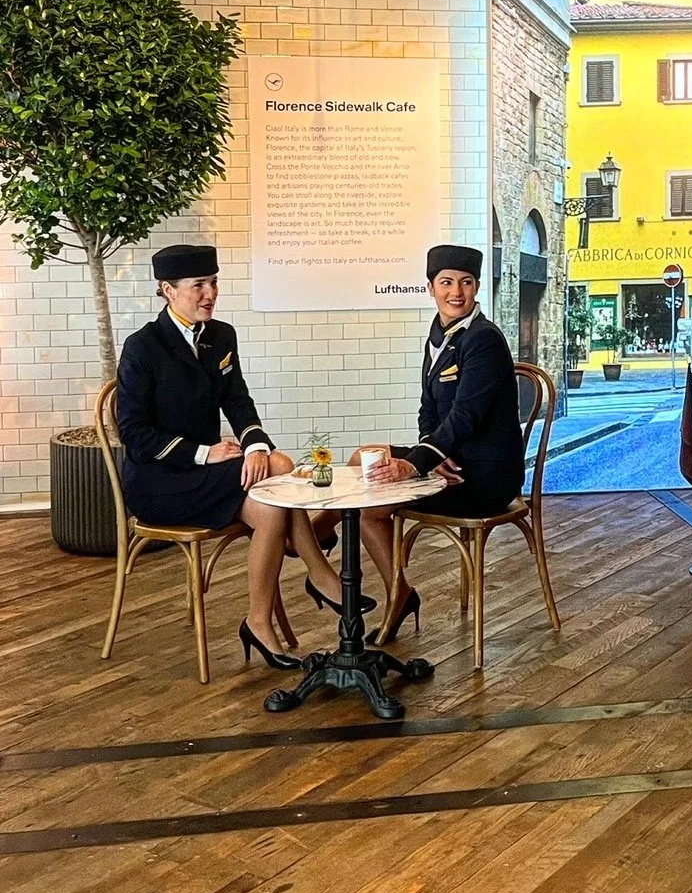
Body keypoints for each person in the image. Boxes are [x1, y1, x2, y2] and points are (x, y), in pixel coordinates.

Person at [117, 243, 356, 671]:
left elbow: (238, 401)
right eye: (198, 286)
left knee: (270, 504)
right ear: (168, 290)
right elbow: (132, 434)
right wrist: (205, 453)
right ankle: (321, 576)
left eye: (213, 282)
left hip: (211, 476)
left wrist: (255, 445)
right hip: (159, 481)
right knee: (282, 471)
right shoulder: (142, 347)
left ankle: (258, 622)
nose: (209, 293)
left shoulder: (221, 335)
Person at [313, 244, 525, 644]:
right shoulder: (438, 336)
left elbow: (467, 416)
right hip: (453, 460)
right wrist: (432, 453)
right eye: (446, 283)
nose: (456, 292)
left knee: (370, 501)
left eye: (465, 282)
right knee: (365, 458)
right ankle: (327, 541)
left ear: (477, 287)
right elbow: (428, 411)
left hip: (484, 476)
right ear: (430, 288)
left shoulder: (484, 340)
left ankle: (385, 587)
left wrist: (416, 463)